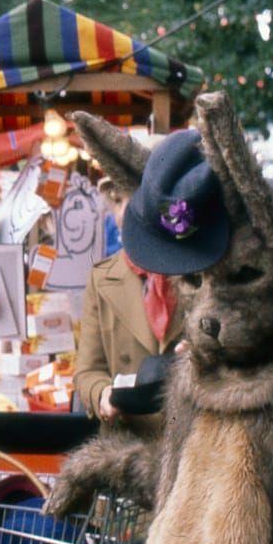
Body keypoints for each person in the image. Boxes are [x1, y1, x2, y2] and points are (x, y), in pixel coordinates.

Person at [75, 177, 181, 433]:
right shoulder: (102, 277)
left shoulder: (201, 272)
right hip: (128, 447)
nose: (122, 213)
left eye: (132, 199)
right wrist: (103, 394)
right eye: (117, 201)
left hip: (194, 445)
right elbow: (87, 372)